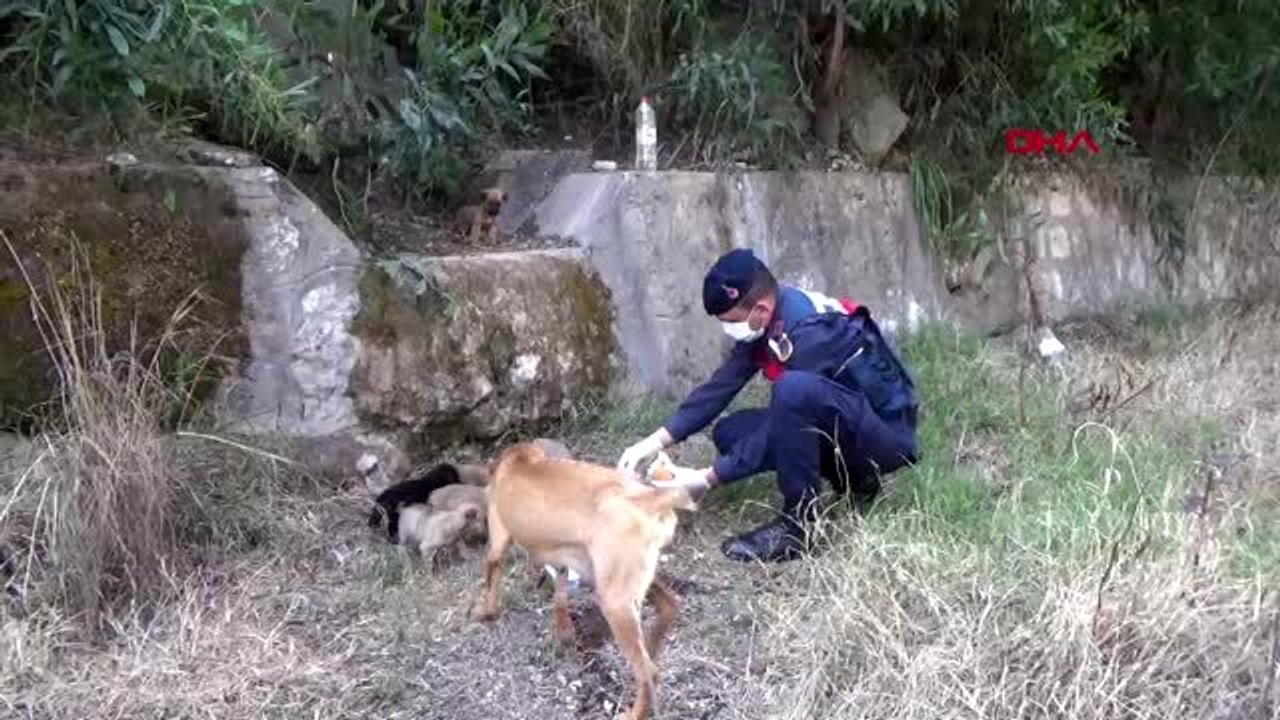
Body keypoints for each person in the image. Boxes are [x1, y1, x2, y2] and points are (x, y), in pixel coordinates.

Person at [616, 248, 920, 563]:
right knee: (730, 432)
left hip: (887, 439)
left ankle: (799, 526)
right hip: (847, 420)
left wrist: (708, 478)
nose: (729, 330)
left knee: (791, 392)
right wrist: (653, 442)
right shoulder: (772, 317)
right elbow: (721, 387)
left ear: (760, 308)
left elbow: (791, 416)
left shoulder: (810, 333)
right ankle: (855, 480)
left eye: (731, 322)